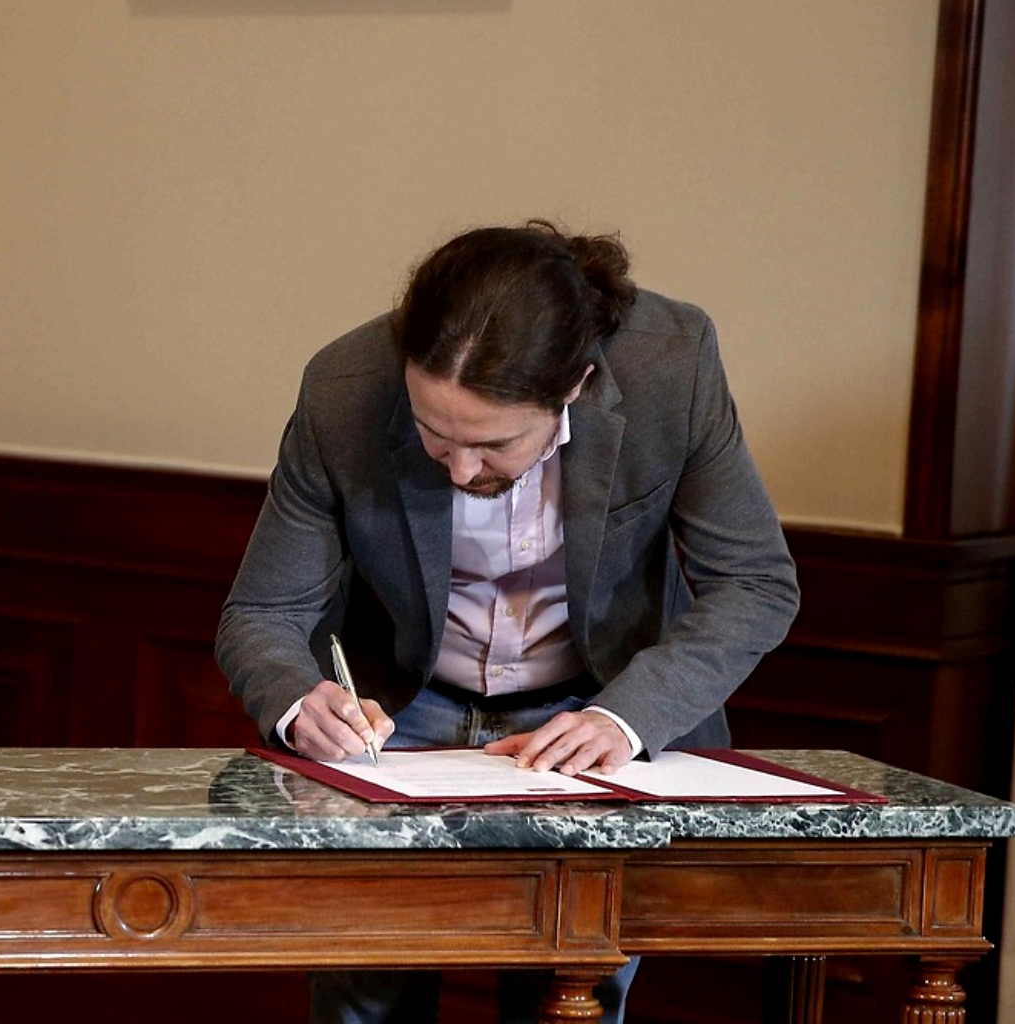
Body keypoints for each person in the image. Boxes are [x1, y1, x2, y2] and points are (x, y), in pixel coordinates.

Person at [215, 221, 800, 1024]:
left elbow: (754, 583)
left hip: (591, 713)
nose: (459, 470)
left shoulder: (671, 365)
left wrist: (623, 720)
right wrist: (296, 700)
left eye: (492, 445)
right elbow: (263, 611)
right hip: (400, 715)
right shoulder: (341, 388)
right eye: (433, 435)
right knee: (366, 993)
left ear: (576, 386)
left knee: (570, 993)